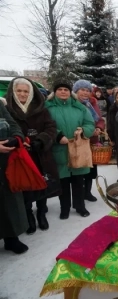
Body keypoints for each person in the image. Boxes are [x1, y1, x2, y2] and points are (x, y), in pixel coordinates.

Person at [5, 77, 59, 234]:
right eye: (19, 91)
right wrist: (17, 141)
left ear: (31, 93)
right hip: (20, 155)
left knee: (42, 183)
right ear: (13, 92)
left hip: (40, 153)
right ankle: (29, 215)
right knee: (25, 186)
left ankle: (42, 213)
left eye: (26, 91)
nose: (22, 94)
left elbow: (51, 127)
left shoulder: (40, 108)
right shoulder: (8, 109)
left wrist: (40, 141)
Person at [45, 80, 95, 219]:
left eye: (66, 89)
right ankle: (64, 208)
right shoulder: (47, 108)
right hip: (59, 149)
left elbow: (90, 123)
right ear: (55, 92)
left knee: (79, 181)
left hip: (78, 148)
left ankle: (80, 206)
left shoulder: (80, 107)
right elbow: (44, 126)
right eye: (60, 89)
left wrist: (83, 130)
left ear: (70, 92)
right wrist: (57, 135)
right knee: (63, 182)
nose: (63, 92)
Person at [0, 101, 29, 254]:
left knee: (8, 202)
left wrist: (16, 138)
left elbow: (13, 125)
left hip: (6, 163)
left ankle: (11, 238)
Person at [72, 79, 105, 202]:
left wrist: (98, 128)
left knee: (91, 168)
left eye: (87, 90)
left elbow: (100, 119)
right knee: (79, 168)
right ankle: (78, 194)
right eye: (82, 90)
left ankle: (88, 192)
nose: (85, 93)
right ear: (76, 91)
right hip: (79, 141)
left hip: (92, 140)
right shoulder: (72, 103)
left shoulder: (92, 103)